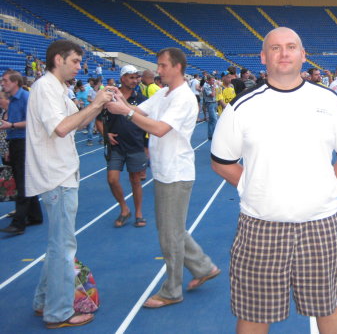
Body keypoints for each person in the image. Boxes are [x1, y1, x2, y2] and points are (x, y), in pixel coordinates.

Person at [211, 27, 337, 333]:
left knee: (328, 305)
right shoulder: (242, 106)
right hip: (260, 226)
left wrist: (323, 189)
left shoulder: (330, 102)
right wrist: (255, 188)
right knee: (254, 312)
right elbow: (222, 162)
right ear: (263, 57)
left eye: (291, 47)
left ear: (303, 55)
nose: (284, 53)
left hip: (320, 224)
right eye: (276, 47)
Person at [106, 47, 219, 309]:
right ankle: (203, 267)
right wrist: (119, 100)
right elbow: (138, 111)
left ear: (177, 67)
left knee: (170, 234)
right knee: (171, 229)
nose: (158, 70)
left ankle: (172, 290)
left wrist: (125, 112)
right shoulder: (163, 94)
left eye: (163, 65)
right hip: (165, 171)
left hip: (176, 172)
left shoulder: (183, 98)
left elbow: (159, 129)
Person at [25, 39, 114, 328]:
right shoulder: (46, 88)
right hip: (57, 176)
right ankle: (58, 312)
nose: (79, 67)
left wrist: (96, 105)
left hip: (61, 173)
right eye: (75, 61)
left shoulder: (57, 89)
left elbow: (74, 123)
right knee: (64, 248)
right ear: (58, 60)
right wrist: (96, 103)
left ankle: (43, 301)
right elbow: (62, 128)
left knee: (57, 246)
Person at [103, 65, 147, 228]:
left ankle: (138, 213)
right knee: (112, 179)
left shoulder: (141, 99)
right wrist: (106, 134)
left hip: (136, 145)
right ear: (122, 78)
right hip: (116, 146)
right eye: (131, 77)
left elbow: (147, 120)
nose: (135, 80)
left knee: (135, 180)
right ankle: (124, 208)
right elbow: (99, 120)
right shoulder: (110, 98)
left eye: (137, 77)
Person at [0, 71, 43, 235]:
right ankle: (35, 216)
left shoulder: (26, 97)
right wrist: (8, 145)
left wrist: (11, 125)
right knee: (25, 179)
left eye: (5, 80)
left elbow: (33, 121)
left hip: (24, 142)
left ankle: (18, 224)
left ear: (15, 82)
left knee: (22, 182)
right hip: (15, 141)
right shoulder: (12, 99)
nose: (3, 83)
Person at [202, 74, 218, 140]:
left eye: (214, 80)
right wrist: (214, 88)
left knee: (211, 120)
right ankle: (213, 134)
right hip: (210, 103)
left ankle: (210, 135)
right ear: (208, 81)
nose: (214, 82)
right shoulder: (206, 86)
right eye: (212, 80)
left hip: (214, 103)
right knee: (214, 119)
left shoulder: (211, 85)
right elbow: (212, 95)